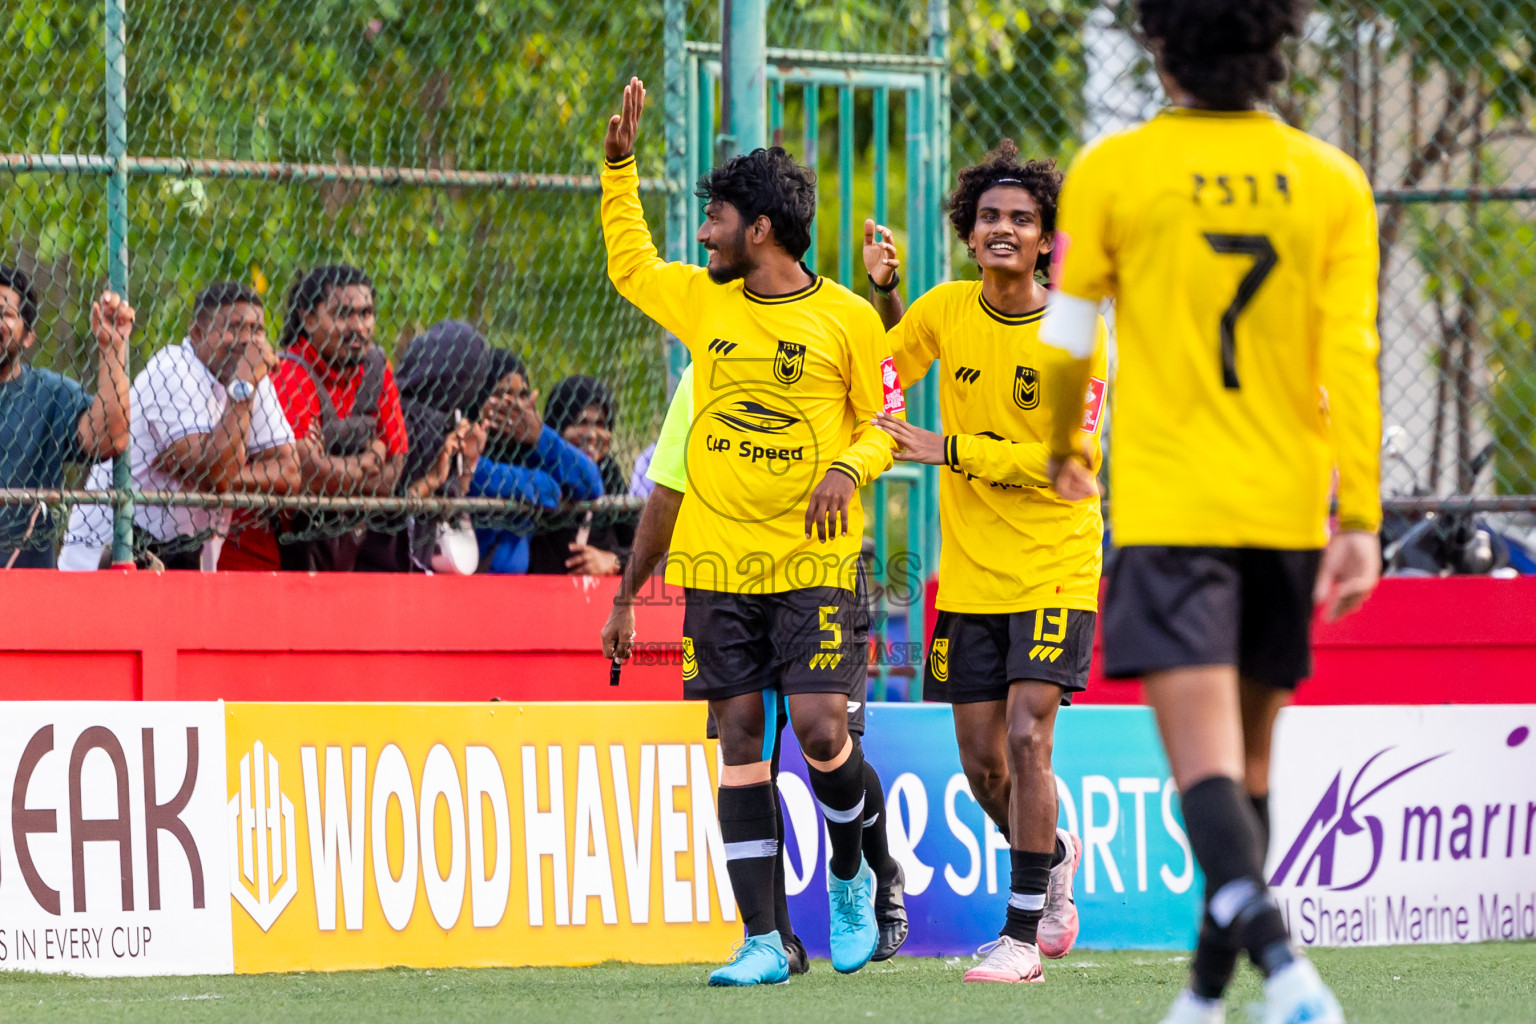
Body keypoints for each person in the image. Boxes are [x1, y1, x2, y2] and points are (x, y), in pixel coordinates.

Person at [1038, 2, 1381, 1021]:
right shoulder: (1332, 182)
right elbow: (1352, 360)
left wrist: (1063, 443)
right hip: (1285, 509)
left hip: (1173, 508)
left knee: (1205, 773)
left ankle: (1286, 970)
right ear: (1278, 41)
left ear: (1157, 40)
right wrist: (1358, 514)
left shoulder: (1114, 170)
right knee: (1250, 770)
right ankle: (1200, 995)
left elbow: (1065, 339)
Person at [602, 77, 902, 985]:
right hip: (720, 570)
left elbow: (883, 422)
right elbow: (631, 267)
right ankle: (764, 941)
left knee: (817, 728)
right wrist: (619, 173)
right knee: (739, 737)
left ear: (760, 229)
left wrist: (850, 467)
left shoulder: (849, 318)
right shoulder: (706, 303)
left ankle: (851, 872)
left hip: (814, 567)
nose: (703, 234)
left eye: (717, 218)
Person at [865, 143, 1107, 985]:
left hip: (1055, 563)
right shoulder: (944, 309)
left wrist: (950, 448)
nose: (1003, 230)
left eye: (1022, 220)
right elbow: (888, 371)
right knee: (982, 765)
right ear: (970, 236)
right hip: (970, 574)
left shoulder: (1077, 327)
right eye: (989, 219)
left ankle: (1019, 937)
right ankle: (1055, 856)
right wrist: (886, 291)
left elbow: (1067, 462)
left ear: (1046, 241)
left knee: (1029, 736)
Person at [601, 361, 909, 976]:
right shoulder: (704, 367)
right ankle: (771, 938)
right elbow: (668, 486)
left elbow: (891, 402)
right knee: (749, 754)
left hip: (818, 578)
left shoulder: (829, 331)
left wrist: (886, 291)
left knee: (829, 743)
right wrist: (626, 596)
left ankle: (867, 870)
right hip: (730, 588)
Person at [66, 282, 300, 570]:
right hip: (106, 556)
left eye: (257, 330)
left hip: (181, 558)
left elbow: (290, 473)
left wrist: (219, 474)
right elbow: (215, 477)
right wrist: (243, 388)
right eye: (235, 327)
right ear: (197, 333)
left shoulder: (249, 374)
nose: (247, 340)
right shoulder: (174, 368)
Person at [220, 264, 408, 571]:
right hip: (272, 550)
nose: (358, 326)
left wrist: (331, 467)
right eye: (343, 314)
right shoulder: (289, 370)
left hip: (344, 548)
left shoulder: (377, 367)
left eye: (366, 313)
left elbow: (393, 474)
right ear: (308, 318)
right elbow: (306, 475)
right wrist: (368, 458)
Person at [0, 266, 131, 568]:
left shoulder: (49, 394)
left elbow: (111, 438)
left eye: (4, 313)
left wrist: (112, 348)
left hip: (27, 589)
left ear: (28, 336)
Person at [471, 350, 606, 574]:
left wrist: (538, 436)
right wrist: (541, 484)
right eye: (502, 395)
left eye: (522, 396)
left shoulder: (532, 447)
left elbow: (592, 484)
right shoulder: (466, 438)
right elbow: (479, 477)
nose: (514, 406)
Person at [391, 320, 490, 571]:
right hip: (393, 562)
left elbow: (447, 507)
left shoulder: (396, 406)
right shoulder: (425, 424)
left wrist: (467, 463)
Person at [526, 374, 633, 576]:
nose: (592, 435)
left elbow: (643, 550)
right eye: (581, 422)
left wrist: (611, 561)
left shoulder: (609, 472)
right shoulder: (538, 468)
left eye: (601, 424)